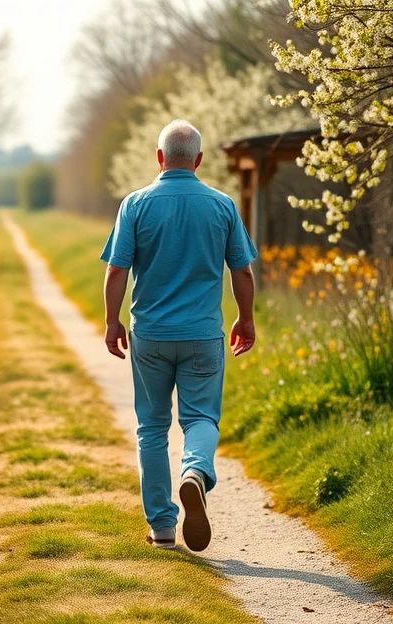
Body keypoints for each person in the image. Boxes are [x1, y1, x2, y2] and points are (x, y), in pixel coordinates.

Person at [100, 119, 256, 552]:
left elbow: (117, 269)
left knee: (151, 427)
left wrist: (112, 321)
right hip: (203, 335)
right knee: (201, 419)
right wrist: (246, 318)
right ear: (199, 160)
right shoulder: (222, 205)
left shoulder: (135, 204)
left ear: (159, 157)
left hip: (149, 334)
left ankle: (163, 526)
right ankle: (194, 473)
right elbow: (241, 270)